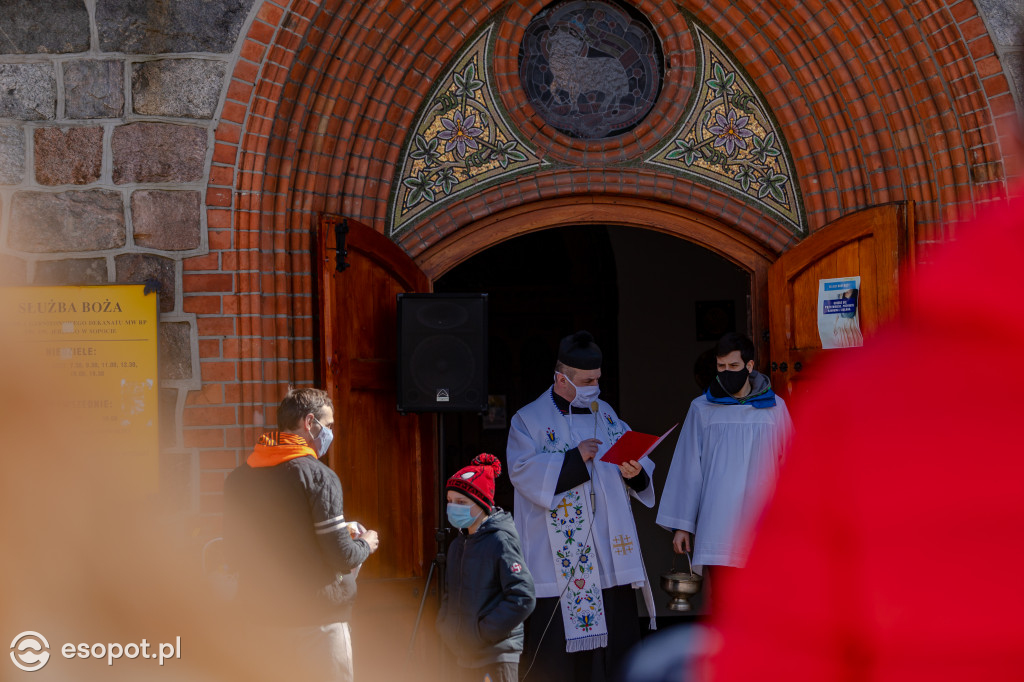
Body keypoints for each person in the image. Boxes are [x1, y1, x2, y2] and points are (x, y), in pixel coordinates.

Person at [709, 191, 1024, 680]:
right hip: (729, 524)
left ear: (1009, 134)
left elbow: (786, 642)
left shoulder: (863, 397)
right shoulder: (851, 400)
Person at [506, 330, 657, 682]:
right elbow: (522, 472)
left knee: (615, 652)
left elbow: (635, 458)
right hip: (561, 561)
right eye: (588, 381)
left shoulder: (604, 413)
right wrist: (575, 458)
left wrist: (634, 472)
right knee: (560, 661)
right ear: (562, 378)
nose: (596, 387)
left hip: (609, 555)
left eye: (598, 379)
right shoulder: (529, 420)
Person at [223, 388, 380, 681]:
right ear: (310, 422)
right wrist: (365, 542)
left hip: (260, 620)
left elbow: (232, 551)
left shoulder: (238, 478)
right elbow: (341, 554)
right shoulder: (318, 475)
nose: (330, 433)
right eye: (328, 426)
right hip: (316, 621)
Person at [657, 332, 792, 600]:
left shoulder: (775, 408)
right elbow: (688, 467)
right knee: (725, 604)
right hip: (718, 523)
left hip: (764, 525)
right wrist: (682, 525)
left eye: (733, 367)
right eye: (721, 367)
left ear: (749, 366)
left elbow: (793, 465)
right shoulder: (702, 409)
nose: (726, 372)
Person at [437, 453, 536, 682]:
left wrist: (482, 633)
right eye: (450, 501)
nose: (453, 507)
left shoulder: (500, 541)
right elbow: (450, 594)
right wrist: (447, 627)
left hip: (496, 656)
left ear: (482, 504)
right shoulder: (457, 545)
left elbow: (523, 596)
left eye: (462, 503)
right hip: (465, 656)